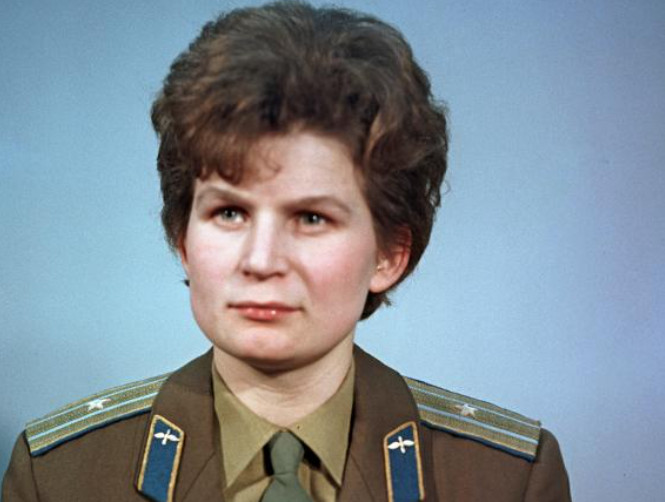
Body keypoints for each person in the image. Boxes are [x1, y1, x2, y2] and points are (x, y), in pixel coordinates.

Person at [2, 1, 571, 501]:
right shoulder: (60, 477)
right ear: (183, 238)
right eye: (230, 213)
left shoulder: (504, 480)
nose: (261, 260)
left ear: (390, 254)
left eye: (311, 218)